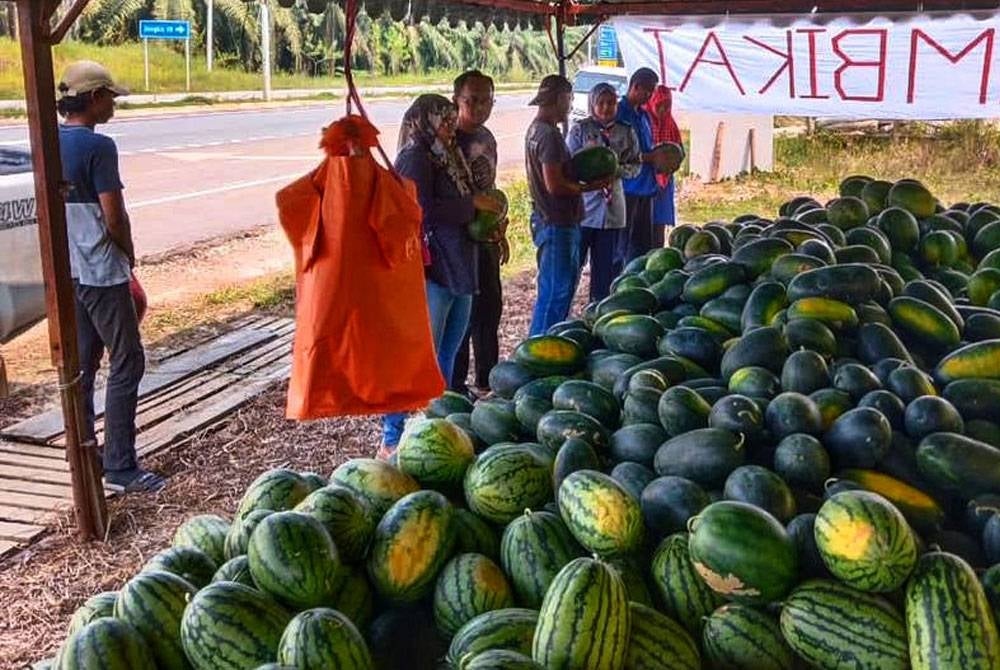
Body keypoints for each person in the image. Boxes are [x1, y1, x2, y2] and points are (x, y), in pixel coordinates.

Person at [57, 61, 164, 492]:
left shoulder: (51, 140)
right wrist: (129, 254)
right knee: (127, 360)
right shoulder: (99, 149)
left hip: (69, 272)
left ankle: (84, 453)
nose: (114, 105)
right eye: (110, 97)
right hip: (101, 270)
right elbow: (113, 216)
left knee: (82, 365)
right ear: (94, 98)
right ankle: (120, 465)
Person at [381, 95, 502, 456]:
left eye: (452, 120)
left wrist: (487, 221)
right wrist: (472, 206)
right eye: (444, 120)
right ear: (424, 121)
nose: (451, 127)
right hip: (433, 269)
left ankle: (435, 424)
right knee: (421, 357)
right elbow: (419, 210)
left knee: (447, 353)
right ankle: (392, 436)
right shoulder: (415, 156)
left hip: (460, 264)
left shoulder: (447, 154)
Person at [525, 74, 607, 336]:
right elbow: (555, 185)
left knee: (553, 291)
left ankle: (543, 346)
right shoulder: (549, 135)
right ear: (559, 98)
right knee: (556, 295)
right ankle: (540, 349)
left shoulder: (535, 129)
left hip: (548, 220)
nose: (570, 105)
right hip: (557, 222)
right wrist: (589, 187)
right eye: (569, 98)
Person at [449, 70, 509, 399]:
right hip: (458, 245)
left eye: (487, 100)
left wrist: (499, 228)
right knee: (460, 318)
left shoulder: (487, 138)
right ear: (456, 100)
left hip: (485, 241)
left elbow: (492, 190)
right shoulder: (446, 139)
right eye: (472, 100)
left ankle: (487, 381)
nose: (480, 107)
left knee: (489, 311)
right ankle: (455, 388)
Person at [568, 83, 642, 303]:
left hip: (613, 210)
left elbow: (636, 164)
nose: (606, 107)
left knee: (607, 266)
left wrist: (617, 170)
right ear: (592, 104)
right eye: (601, 102)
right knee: (574, 263)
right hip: (585, 209)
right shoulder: (580, 130)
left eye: (611, 103)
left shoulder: (626, 131)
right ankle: (567, 310)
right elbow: (568, 165)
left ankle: (598, 308)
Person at [616, 67, 664, 265]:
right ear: (635, 87)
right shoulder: (619, 114)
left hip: (647, 187)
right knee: (622, 244)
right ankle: (619, 284)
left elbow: (647, 146)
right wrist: (650, 157)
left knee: (643, 244)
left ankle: (638, 283)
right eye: (648, 92)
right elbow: (619, 155)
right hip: (628, 189)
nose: (650, 96)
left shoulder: (644, 115)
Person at [647, 85, 683, 247]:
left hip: (665, 181)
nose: (662, 110)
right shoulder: (645, 120)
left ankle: (658, 249)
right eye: (659, 105)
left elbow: (680, 150)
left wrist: (672, 164)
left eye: (666, 106)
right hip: (647, 179)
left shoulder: (671, 123)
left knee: (659, 223)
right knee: (644, 222)